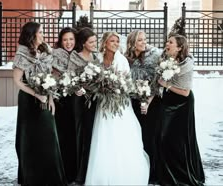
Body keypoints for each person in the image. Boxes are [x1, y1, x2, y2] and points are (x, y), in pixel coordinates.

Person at [85, 31, 150, 185]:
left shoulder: (121, 59)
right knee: (103, 135)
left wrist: (114, 88)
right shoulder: (98, 59)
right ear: (105, 43)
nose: (115, 44)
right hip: (103, 103)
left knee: (120, 134)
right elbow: (92, 79)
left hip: (119, 102)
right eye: (112, 41)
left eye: (117, 41)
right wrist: (100, 87)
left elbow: (126, 82)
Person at [13, 21, 66, 185]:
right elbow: (17, 81)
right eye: (40, 32)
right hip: (29, 101)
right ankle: (32, 178)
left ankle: (52, 177)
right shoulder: (21, 55)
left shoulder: (46, 51)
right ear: (32, 35)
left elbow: (50, 77)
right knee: (30, 139)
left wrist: (50, 98)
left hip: (45, 97)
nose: (43, 35)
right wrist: (36, 94)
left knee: (49, 136)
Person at [158, 33, 205, 186]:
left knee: (178, 141)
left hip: (181, 105)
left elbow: (185, 92)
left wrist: (167, 85)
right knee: (165, 139)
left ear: (179, 48)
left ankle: (181, 175)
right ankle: (167, 173)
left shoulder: (186, 64)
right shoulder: (166, 60)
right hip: (168, 102)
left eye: (170, 42)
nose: (167, 43)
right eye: (167, 41)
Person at [125, 30, 162, 184]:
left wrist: (147, 101)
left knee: (150, 137)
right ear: (133, 42)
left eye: (145, 39)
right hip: (132, 101)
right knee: (135, 137)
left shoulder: (154, 56)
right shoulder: (126, 58)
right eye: (140, 40)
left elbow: (156, 81)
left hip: (151, 102)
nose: (144, 42)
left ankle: (152, 173)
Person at [72, 27, 98, 185]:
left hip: (94, 100)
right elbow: (70, 78)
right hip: (80, 101)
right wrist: (77, 88)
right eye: (91, 42)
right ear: (83, 43)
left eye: (95, 41)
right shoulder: (75, 57)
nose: (95, 44)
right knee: (82, 135)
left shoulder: (95, 57)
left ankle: (90, 171)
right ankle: (80, 174)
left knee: (92, 135)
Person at [52, 27, 78, 184]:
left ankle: (74, 172)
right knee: (63, 136)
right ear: (61, 42)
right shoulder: (54, 56)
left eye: (71, 39)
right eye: (65, 40)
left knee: (74, 136)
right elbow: (52, 78)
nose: (68, 43)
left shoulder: (78, 56)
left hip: (76, 100)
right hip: (61, 100)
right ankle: (63, 173)